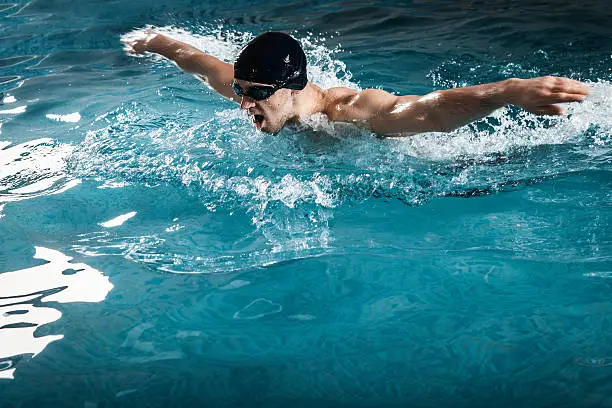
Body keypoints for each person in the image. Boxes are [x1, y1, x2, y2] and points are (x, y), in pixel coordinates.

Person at [122, 30, 590, 136]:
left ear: (292, 87)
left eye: (257, 94)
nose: (243, 103)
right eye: (241, 91)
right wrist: (148, 40)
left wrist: (508, 91)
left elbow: (429, 110)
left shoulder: (347, 112)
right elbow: (193, 58)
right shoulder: (251, 90)